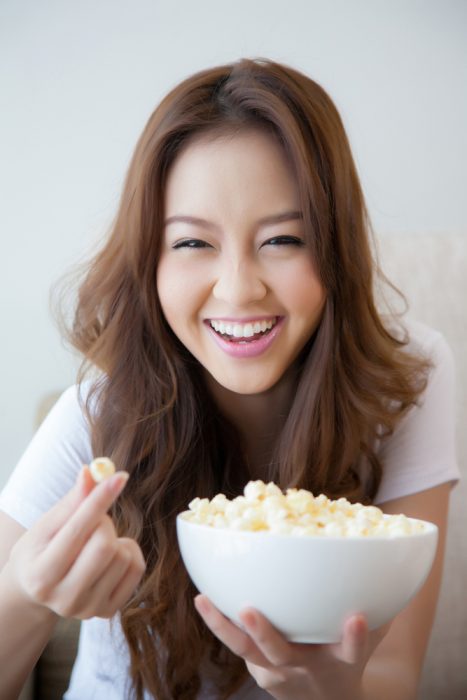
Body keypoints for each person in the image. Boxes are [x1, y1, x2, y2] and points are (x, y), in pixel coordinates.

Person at [0, 57, 459, 700]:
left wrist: (331, 689)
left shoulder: (405, 384)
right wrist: (26, 597)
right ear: (149, 261)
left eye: (284, 240)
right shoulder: (98, 417)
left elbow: (395, 673)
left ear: (336, 248)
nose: (240, 289)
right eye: (192, 244)